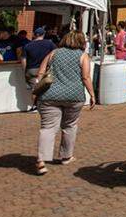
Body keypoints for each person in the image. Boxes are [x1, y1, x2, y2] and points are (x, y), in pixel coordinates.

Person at [34, 31, 95, 175]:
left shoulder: (53, 53)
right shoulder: (83, 56)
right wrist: (92, 94)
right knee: (70, 125)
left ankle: (41, 160)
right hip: (74, 96)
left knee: (48, 127)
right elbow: (86, 77)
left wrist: (36, 90)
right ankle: (66, 156)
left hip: (50, 95)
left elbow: (41, 73)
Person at [21, 27, 57, 91]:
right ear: (43, 34)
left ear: (34, 35)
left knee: (34, 90)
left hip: (32, 70)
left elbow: (23, 60)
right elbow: (56, 53)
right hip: (45, 70)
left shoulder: (27, 45)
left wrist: (25, 71)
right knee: (45, 90)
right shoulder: (50, 44)